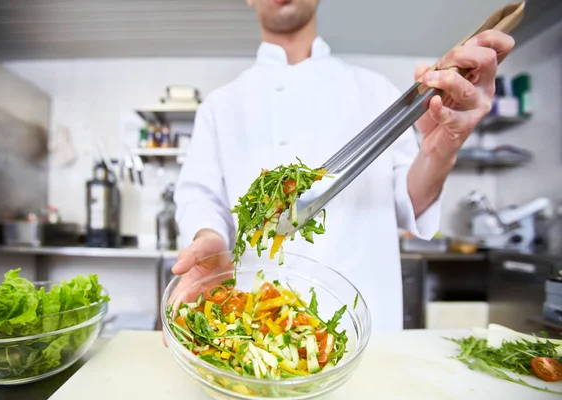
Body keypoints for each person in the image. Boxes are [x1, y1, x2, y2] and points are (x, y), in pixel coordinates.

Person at [171, 0, 514, 332]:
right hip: (252, 330)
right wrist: (208, 235)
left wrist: (442, 148)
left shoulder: (376, 91)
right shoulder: (219, 106)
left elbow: (409, 200)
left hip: (364, 330)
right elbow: (200, 198)